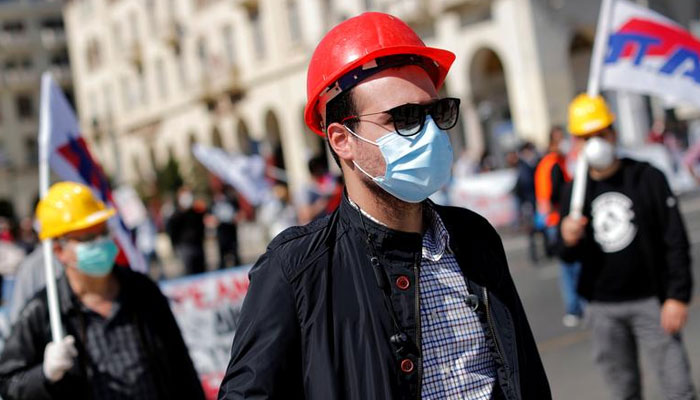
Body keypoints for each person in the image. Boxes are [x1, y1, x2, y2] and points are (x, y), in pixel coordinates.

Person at [219, 12, 550, 400]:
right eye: (405, 118)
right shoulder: (295, 270)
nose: (429, 133)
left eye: (435, 113)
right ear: (342, 140)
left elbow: (523, 373)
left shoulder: (475, 237)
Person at [0, 182, 205, 400]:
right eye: (88, 238)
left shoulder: (142, 291)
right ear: (59, 250)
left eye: (104, 232)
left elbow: (182, 367)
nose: (101, 242)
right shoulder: (43, 311)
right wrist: (44, 375)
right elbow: (9, 384)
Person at [560, 94, 695, 400]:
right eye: (586, 137)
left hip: (653, 302)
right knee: (623, 390)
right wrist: (566, 238)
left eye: (601, 134)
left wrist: (677, 296)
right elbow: (567, 254)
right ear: (576, 143)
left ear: (613, 132)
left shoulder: (647, 177)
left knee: (678, 387)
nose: (595, 143)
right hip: (602, 306)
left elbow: (675, 240)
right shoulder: (575, 191)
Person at [535, 126, 584, 327]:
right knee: (570, 266)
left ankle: (576, 306)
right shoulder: (554, 163)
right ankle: (575, 307)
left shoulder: (548, 162)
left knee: (569, 266)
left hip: (552, 220)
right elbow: (557, 193)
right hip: (557, 219)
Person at [167, 186, 206, 275]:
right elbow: (172, 231)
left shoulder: (196, 212)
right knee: (190, 271)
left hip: (198, 245)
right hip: (185, 247)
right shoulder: (176, 215)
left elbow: (201, 224)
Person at [211, 186, 241, 269]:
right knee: (222, 255)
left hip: (231, 231)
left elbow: (238, 214)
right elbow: (210, 217)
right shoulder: (215, 203)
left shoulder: (232, 201)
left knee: (234, 253)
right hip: (221, 232)